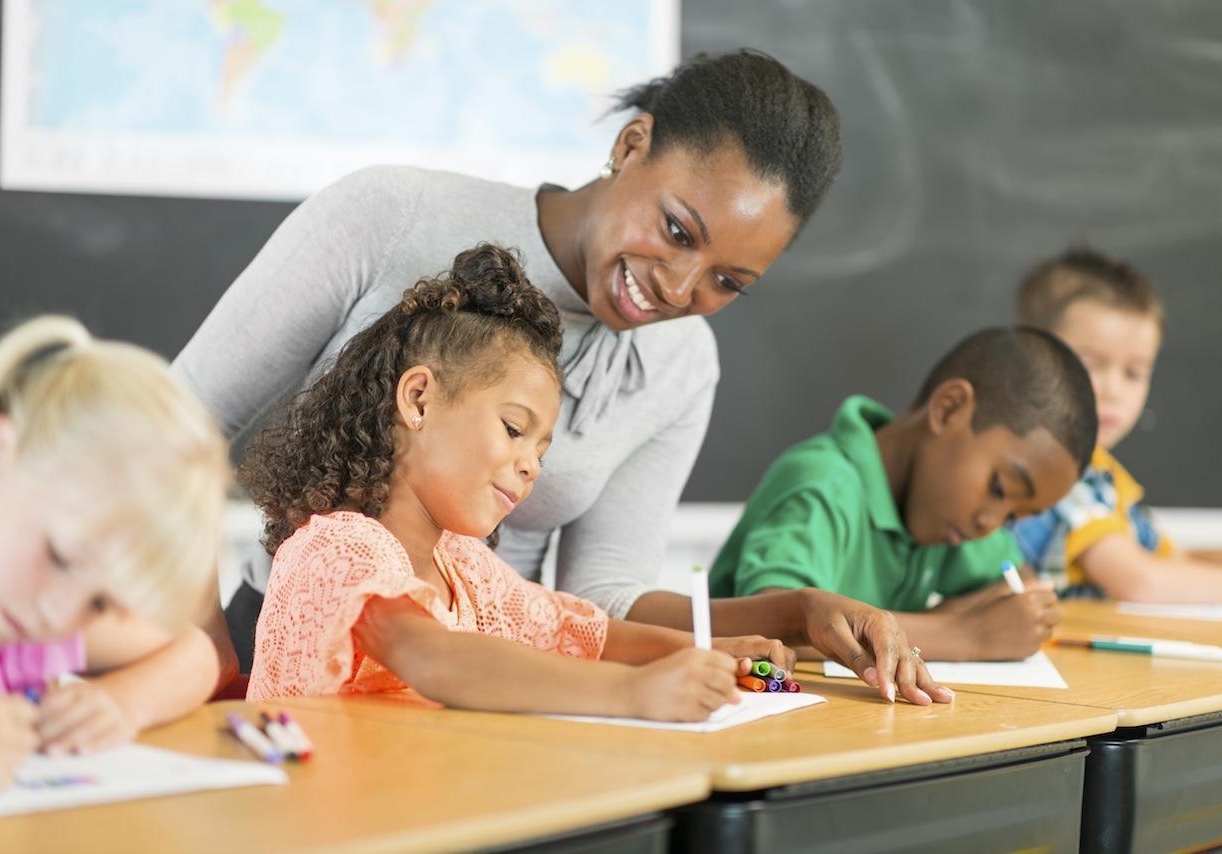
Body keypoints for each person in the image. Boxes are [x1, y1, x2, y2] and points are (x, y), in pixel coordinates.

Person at [171, 50, 928, 689]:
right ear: (633, 146)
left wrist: (793, 615)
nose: (678, 286)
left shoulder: (680, 365)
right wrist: (198, 653)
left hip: (497, 689)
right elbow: (172, 425)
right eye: (675, 229)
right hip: (287, 662)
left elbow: (599, 598)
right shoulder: (391, 214)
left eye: (727, 282)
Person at [241, 245, 801, 720]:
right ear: (417, 399)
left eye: (541, 448)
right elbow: (435, 658)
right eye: (514, 429)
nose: (532, 464)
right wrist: (634, 693)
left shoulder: (465, 565)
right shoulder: (335, 549)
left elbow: (584, 634)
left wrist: (712, 652)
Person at [0, 316, 229, 791]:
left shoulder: (24, 632)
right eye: (59, 556)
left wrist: (123, 701)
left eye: (100, 603)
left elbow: (197, 652)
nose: (61, 614)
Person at [708, 327, 1098, 661]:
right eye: (999, 489)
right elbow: (779, 629)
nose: (990, 524)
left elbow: (1015, 586)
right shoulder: (821, 485)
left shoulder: (945, 516)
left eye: (1014, 517)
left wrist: (999, 612)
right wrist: (964, 635)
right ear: (948, 409)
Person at [1010, 247, 1222, 600]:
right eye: (1091, 364)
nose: (1113, 391)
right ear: (1031, 359)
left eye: (1134, 373)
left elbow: (1170, 560)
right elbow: (1140, 581)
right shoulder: (1053, 468)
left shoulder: (1105, 474)